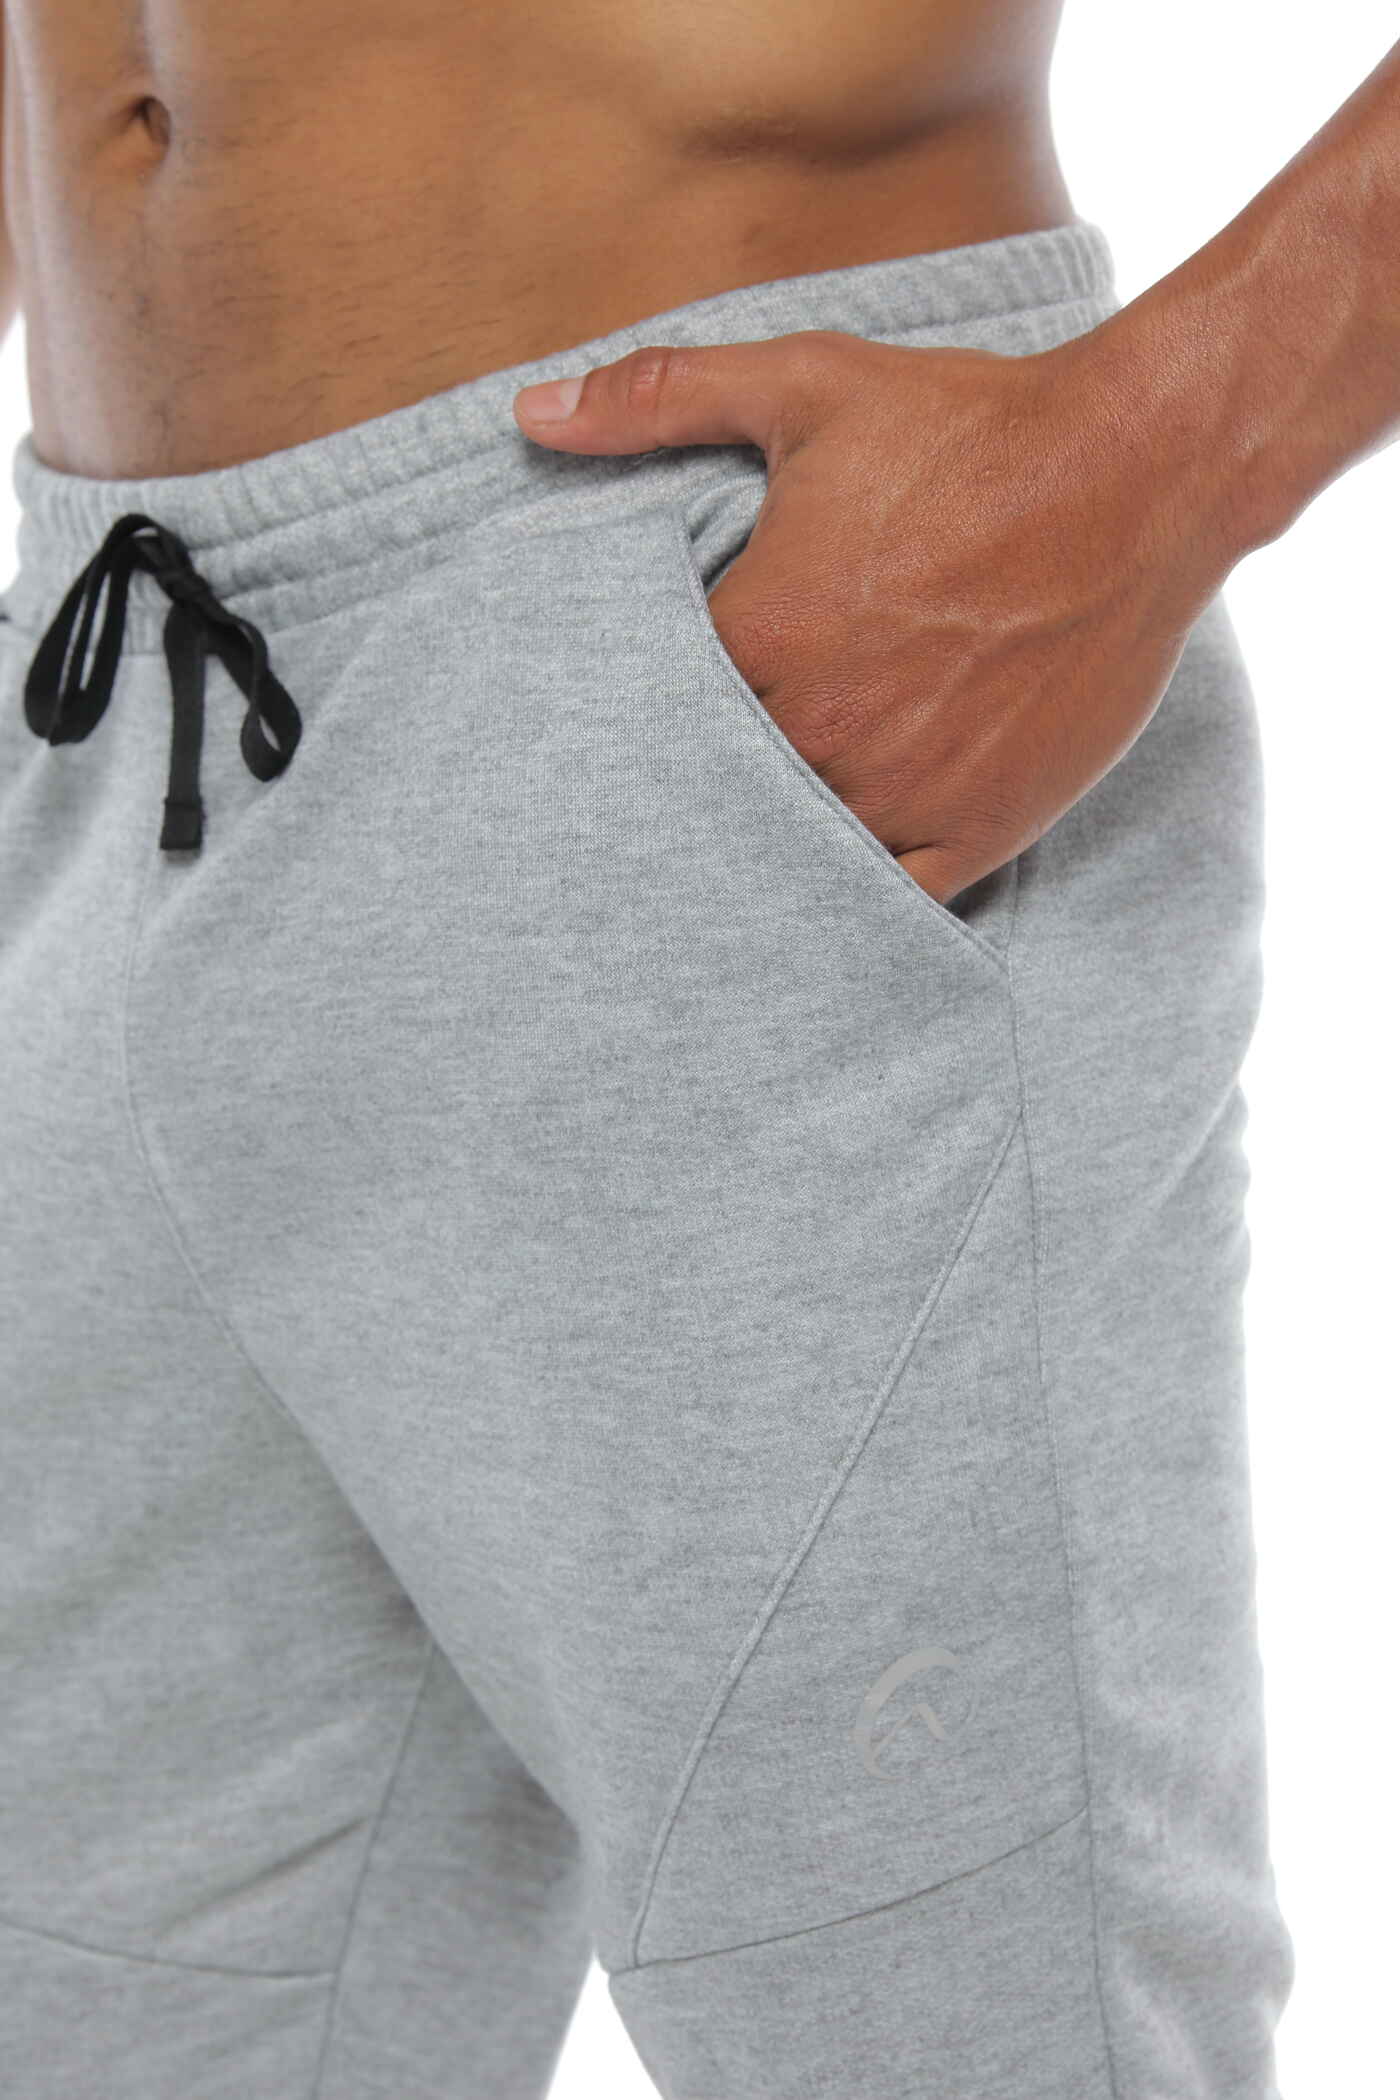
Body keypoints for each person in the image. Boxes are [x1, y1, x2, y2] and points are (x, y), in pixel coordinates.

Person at [1, 1, 1394, 2092]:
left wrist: (1171, 447)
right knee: (102, 2015)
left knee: (936, 2029)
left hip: (726, 630)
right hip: (111, 666)